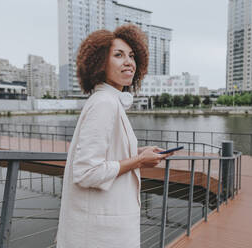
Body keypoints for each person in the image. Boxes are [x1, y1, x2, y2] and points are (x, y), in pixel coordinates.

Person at [56, 24, 172, 248]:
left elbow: (106, 151)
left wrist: (139, 152)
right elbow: (87, 172)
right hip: (101, 234)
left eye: (131, 55)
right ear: (100, 63)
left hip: (106, 226)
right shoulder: (104, 104)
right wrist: (139, 161)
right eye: (118, 55)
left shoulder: (109, 101)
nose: (129, 61)